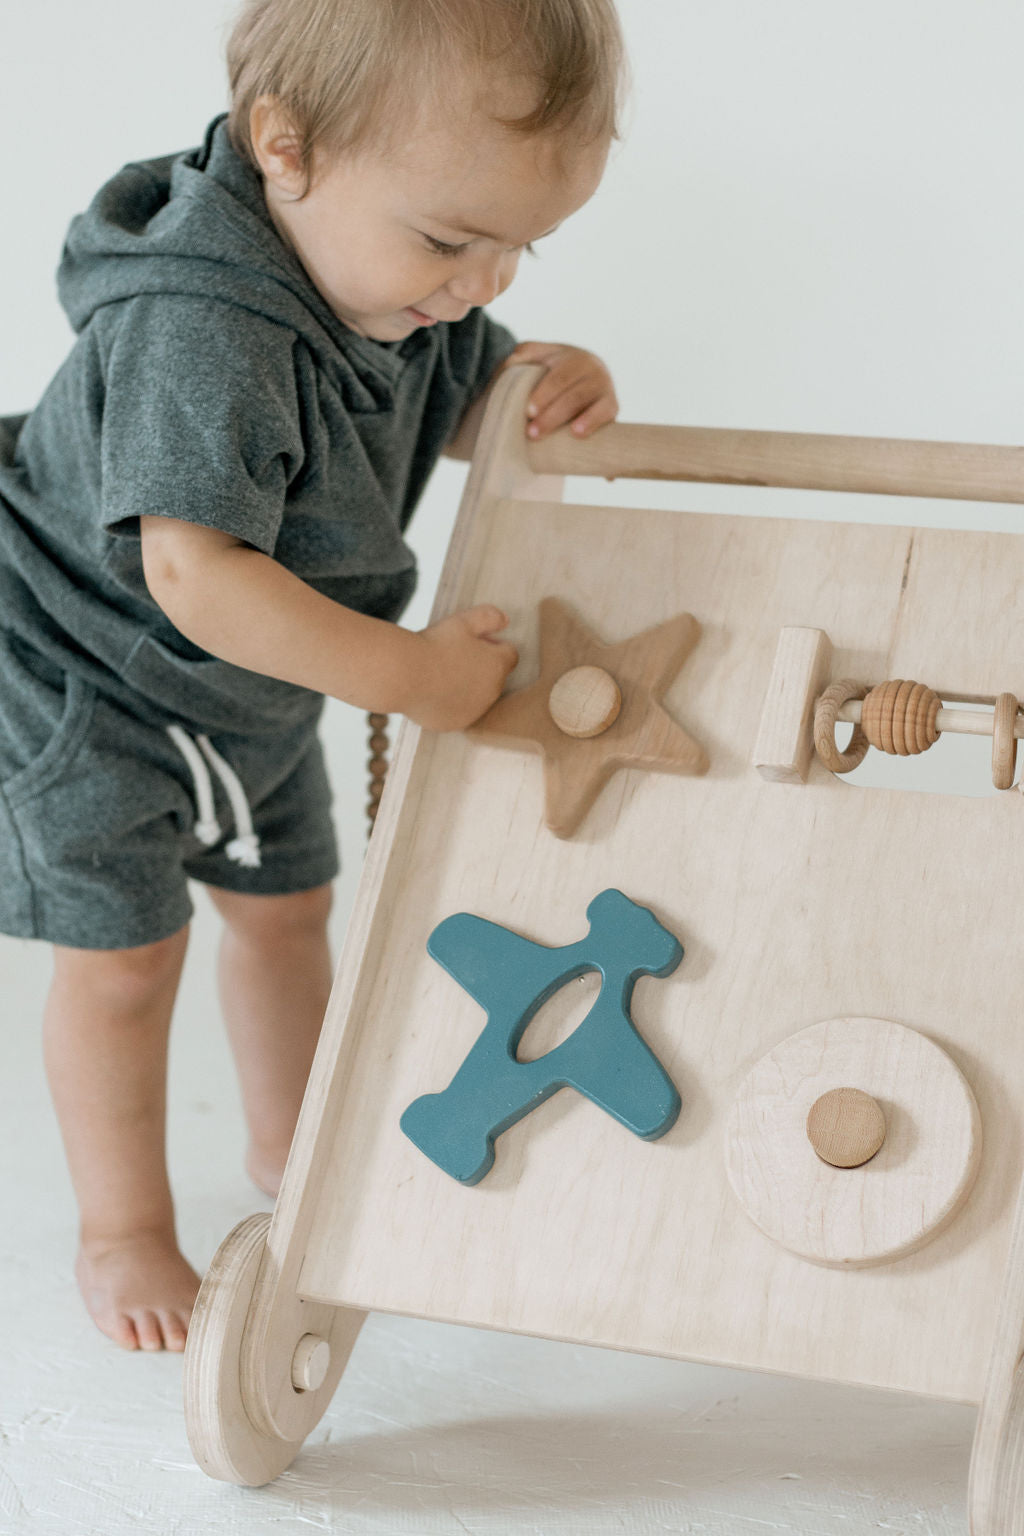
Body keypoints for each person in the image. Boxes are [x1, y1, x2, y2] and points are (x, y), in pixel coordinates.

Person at [0, 0, 623, 1353]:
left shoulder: (392, 279)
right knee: (126, 960)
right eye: (454, 238)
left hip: (256, 673)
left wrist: (537, 386)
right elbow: (196, 573)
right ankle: (121, 1228)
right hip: (84, 671)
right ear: (287, 149)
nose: (484, 281)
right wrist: (408, 677)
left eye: (525, 245)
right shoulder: (203, 325)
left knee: (290, 910)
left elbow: (450, 390)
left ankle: (295, 1145)